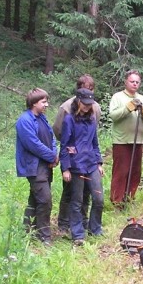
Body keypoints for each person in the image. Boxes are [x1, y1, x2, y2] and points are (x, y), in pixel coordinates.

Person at [54, 74, 102, 234]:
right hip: (76, 165)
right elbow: (64, 143)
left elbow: (94, 142)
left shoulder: (93, 117)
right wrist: (65, 168)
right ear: (78, 100)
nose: (88, 107)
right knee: (75, 199)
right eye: (85, 104)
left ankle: (94, 228)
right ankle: (75, 231)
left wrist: (99, 162)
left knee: (97, 198)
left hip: (91, 163)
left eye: (90, 104)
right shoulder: (68, 116)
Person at [15, 88, 58, 244]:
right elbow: (33, 144)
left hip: (45, 165)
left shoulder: (42, 118)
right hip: (33, 166)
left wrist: (54, 153)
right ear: (34, 103)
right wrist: (51, 156)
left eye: (46, 101)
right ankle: (44, 236)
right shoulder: (24, 121)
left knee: (35, 199)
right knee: (45, 200)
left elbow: (51, 138)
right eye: (43, 102)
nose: (47, 104)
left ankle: (27, 230)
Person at [109, 70, 143, 205]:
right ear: (125, 82)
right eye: (132, 81)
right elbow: (113, 116)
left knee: (135, 172)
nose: (135, 84)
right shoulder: (118, 97)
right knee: (121, 172)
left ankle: (129, 198)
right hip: (122, 141)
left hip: (137, 141)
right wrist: (128, 108)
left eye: (137, 82)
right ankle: (117, 201)